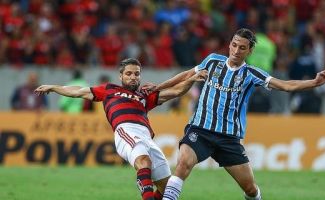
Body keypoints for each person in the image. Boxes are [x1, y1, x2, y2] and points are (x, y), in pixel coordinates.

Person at [152, 28, 325, 200]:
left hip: (228, 139)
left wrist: (314, 82)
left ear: (250, 50)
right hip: (200, 130)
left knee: (250, 189)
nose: (236, 50)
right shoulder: (213, 61)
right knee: (183, 164)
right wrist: (158, 87)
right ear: (230, 44)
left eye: (242, 47)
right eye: (234, 45)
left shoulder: (251, 73)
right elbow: (185, 75)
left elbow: (286, 85)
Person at [35, 58, 208, 200]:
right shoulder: (109, 90)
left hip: (147, 137)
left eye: (136, 74)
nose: (133, 77)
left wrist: (191, 79)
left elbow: (176, 91)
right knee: (144, 162)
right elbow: (78, 91)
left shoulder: (145, 95)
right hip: (126, 130)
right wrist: (55, 87)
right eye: (129, 74)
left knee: (166, 186)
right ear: (121, 76)